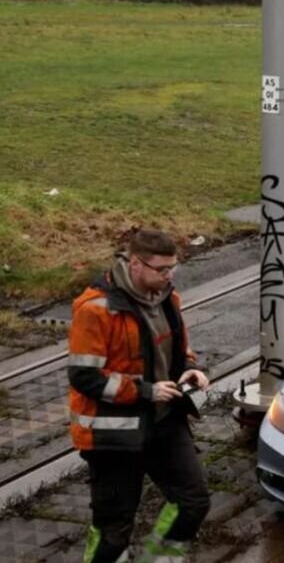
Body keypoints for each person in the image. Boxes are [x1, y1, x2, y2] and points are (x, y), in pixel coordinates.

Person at [68, 229, 211, 562]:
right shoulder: (96, 310)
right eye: (161, 270)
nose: (169, 275)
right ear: (135, 264)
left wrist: (190, 367)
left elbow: (178, 350)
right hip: (113, 436)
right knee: (113, 530)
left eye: (172, 268)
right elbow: (84, 376)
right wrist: (146, 391)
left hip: (164, 423)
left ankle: (155, 559)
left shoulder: (168, 299)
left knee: (193, 503)